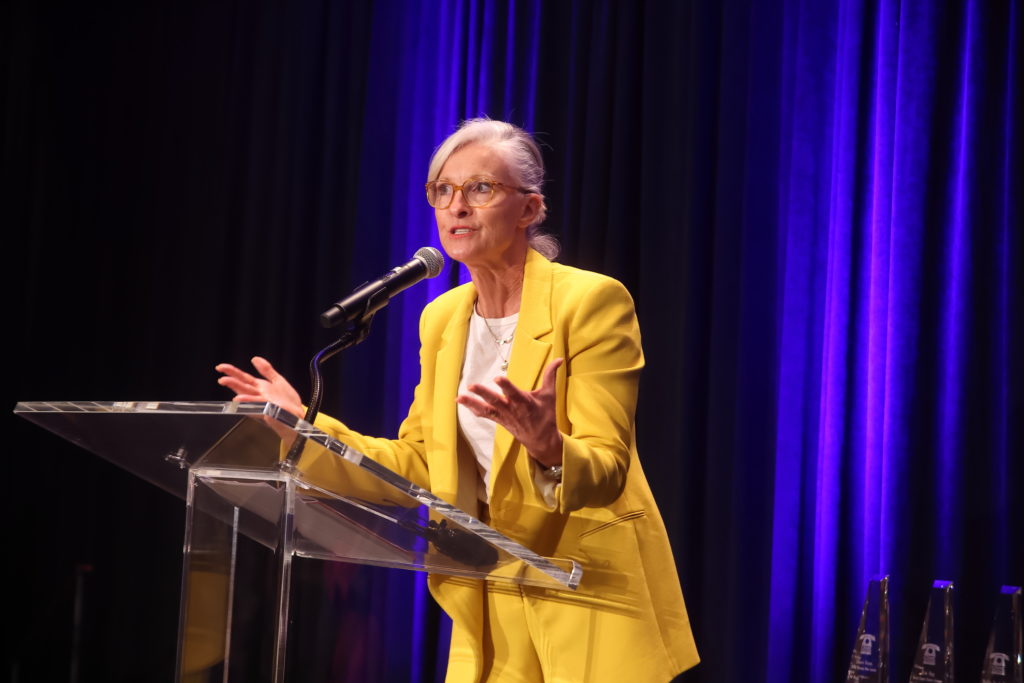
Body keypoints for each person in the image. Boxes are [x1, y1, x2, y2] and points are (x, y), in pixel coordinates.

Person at [216, 119, 699, 682]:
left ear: (529, 208)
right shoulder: (442, 319)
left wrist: (548, 447)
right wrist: (304, 428)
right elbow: (421, 463)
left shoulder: (590, 302)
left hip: (588, 589)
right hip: (492, 597)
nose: (457, 206)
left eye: (480, 188)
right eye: (442, 190)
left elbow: (608, 468)